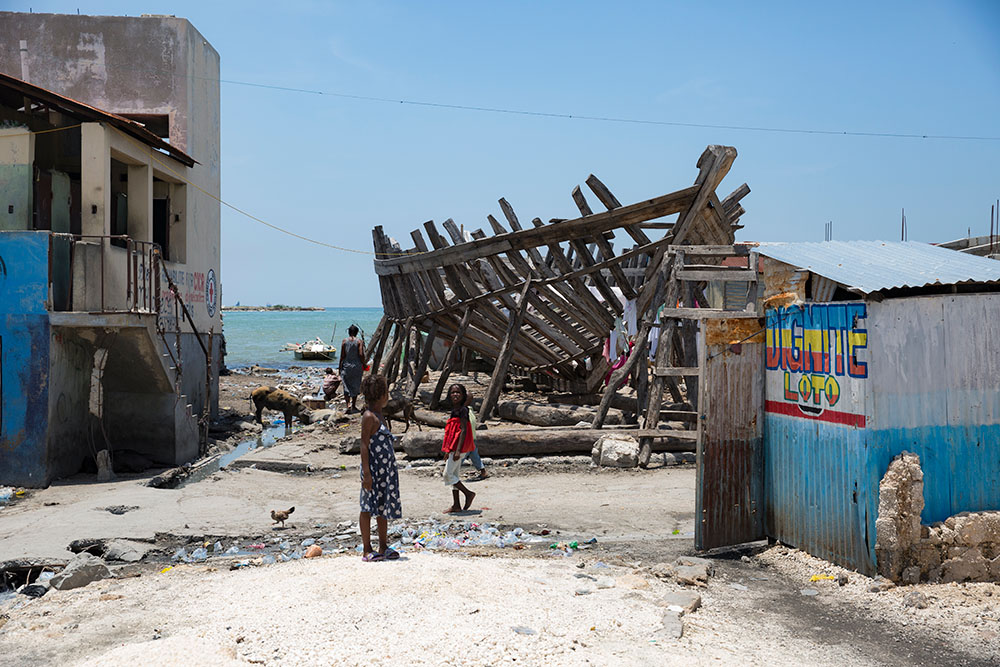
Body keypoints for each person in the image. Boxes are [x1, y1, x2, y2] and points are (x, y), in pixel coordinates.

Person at [358, 374, 402, 561]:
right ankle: (367, 548)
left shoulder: (379, 415)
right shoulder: (369, 417)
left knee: (382, 507)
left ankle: (383, 545)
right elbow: (364, 445)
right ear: (381, 395)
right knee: (367, 507)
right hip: (373, 470)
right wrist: (367, 474)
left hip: (385, 471)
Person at [441, 383, 476, 513]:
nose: (455, 395)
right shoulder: (454, 410)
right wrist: (447, 450)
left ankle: (468, 493)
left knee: (447, 475)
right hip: (453, 447)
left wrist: (457, 450)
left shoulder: (463, 410)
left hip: (459, 448)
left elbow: (463, 430)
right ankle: (456, 505)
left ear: (463, 395)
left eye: (458, 393)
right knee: (454, 475)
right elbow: (451, 431)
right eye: (453, 392)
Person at [339, 325, 365, 413]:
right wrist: (364, 363)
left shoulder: (344, 341)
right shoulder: (359, 341)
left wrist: (340, 366)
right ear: (357, 332)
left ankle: (348, 405)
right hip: (357, 366)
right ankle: (353, 405)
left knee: (346, 385)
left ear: (349, 332)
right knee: (356, 385)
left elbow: (342, 355)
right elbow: (361, 354)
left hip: (346, 366)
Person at [464, 392, 489, 480]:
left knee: (460, 457)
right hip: (471, 437)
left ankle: (449, 472)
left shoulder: (466, 410)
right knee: (475, 456)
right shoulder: (469, 410)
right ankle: (483, 472)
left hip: (467, 438)